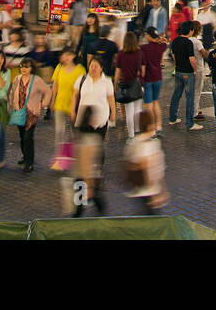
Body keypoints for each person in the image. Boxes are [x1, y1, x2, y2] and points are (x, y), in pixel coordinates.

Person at [71, 55, 117, 216]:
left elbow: (111, 99)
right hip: (82, 121)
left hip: (100, 122)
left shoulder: (106, 82)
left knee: (93, 160)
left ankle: (86, 202)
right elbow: (75, 96)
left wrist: (113, 114)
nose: (93, 68)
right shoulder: (82, 79)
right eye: (91, 65)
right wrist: (73, 110)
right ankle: (88, 202)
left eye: (96, 66)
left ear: (102, 68)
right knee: (89, 164)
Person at [9, 57, 51, 173]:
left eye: (26, 67)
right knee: (22, 137)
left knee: (28, 137)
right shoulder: (17, 79)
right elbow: (12, 92)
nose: (23, 69)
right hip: (19, 112)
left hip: (32, 113)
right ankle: (25, 156)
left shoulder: (36, 80)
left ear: (32, 68)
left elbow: (48, 91)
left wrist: (43, 104)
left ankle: (29, 163)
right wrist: (13, 104)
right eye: (22, 66)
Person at [122, 111, 168, 215]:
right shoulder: (151, 144)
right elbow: (150, 168)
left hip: (137, 188)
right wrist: (157, 193)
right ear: (150, 125)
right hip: (149, 191)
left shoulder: (133, 142)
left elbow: (128, 159)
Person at [167, 21, 202, 131]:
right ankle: (190, 123)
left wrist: (177, 64)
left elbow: (173, 55)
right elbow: (192, 59)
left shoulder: (175, 41)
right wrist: (195, 70)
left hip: (178, 71)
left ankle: (173, 118)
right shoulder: (188, 42)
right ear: (190, 31)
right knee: (189, 97)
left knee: (176, 94)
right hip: (188, 72)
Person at [115, 31, 145, 139]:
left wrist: (115, 84)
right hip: (138, 84)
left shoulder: (121, 53)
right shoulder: (139, 52)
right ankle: (137, 130)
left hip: (126, 84)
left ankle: (131, 135)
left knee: (129, 112)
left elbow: (118, 72)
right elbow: (143, 70)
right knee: (138, 109)